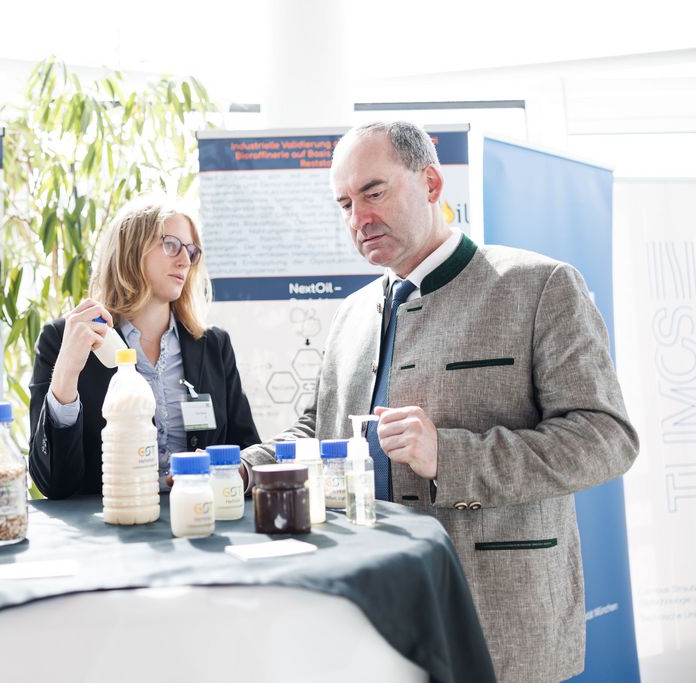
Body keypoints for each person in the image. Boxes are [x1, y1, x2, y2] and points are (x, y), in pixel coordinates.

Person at [240, 122, 639, 682]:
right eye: (345, 203)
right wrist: (245, 468)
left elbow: (606, 438)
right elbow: (316, 430)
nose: (358, 219)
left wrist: (449, 456)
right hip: (365, 613)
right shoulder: (351, 314)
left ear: (431, 183)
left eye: (374, 193)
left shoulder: (539, 286)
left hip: (499, 618)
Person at [29, 194, 260, 499]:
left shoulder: (213, 347)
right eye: (171, 245)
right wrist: (67, 373)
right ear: (130, 249)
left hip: (200, 518)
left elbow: (247, 450)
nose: (185, 260)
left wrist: (224, 469)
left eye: (191, 251)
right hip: (112, 531)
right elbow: (54, 484)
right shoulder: (66, 340)